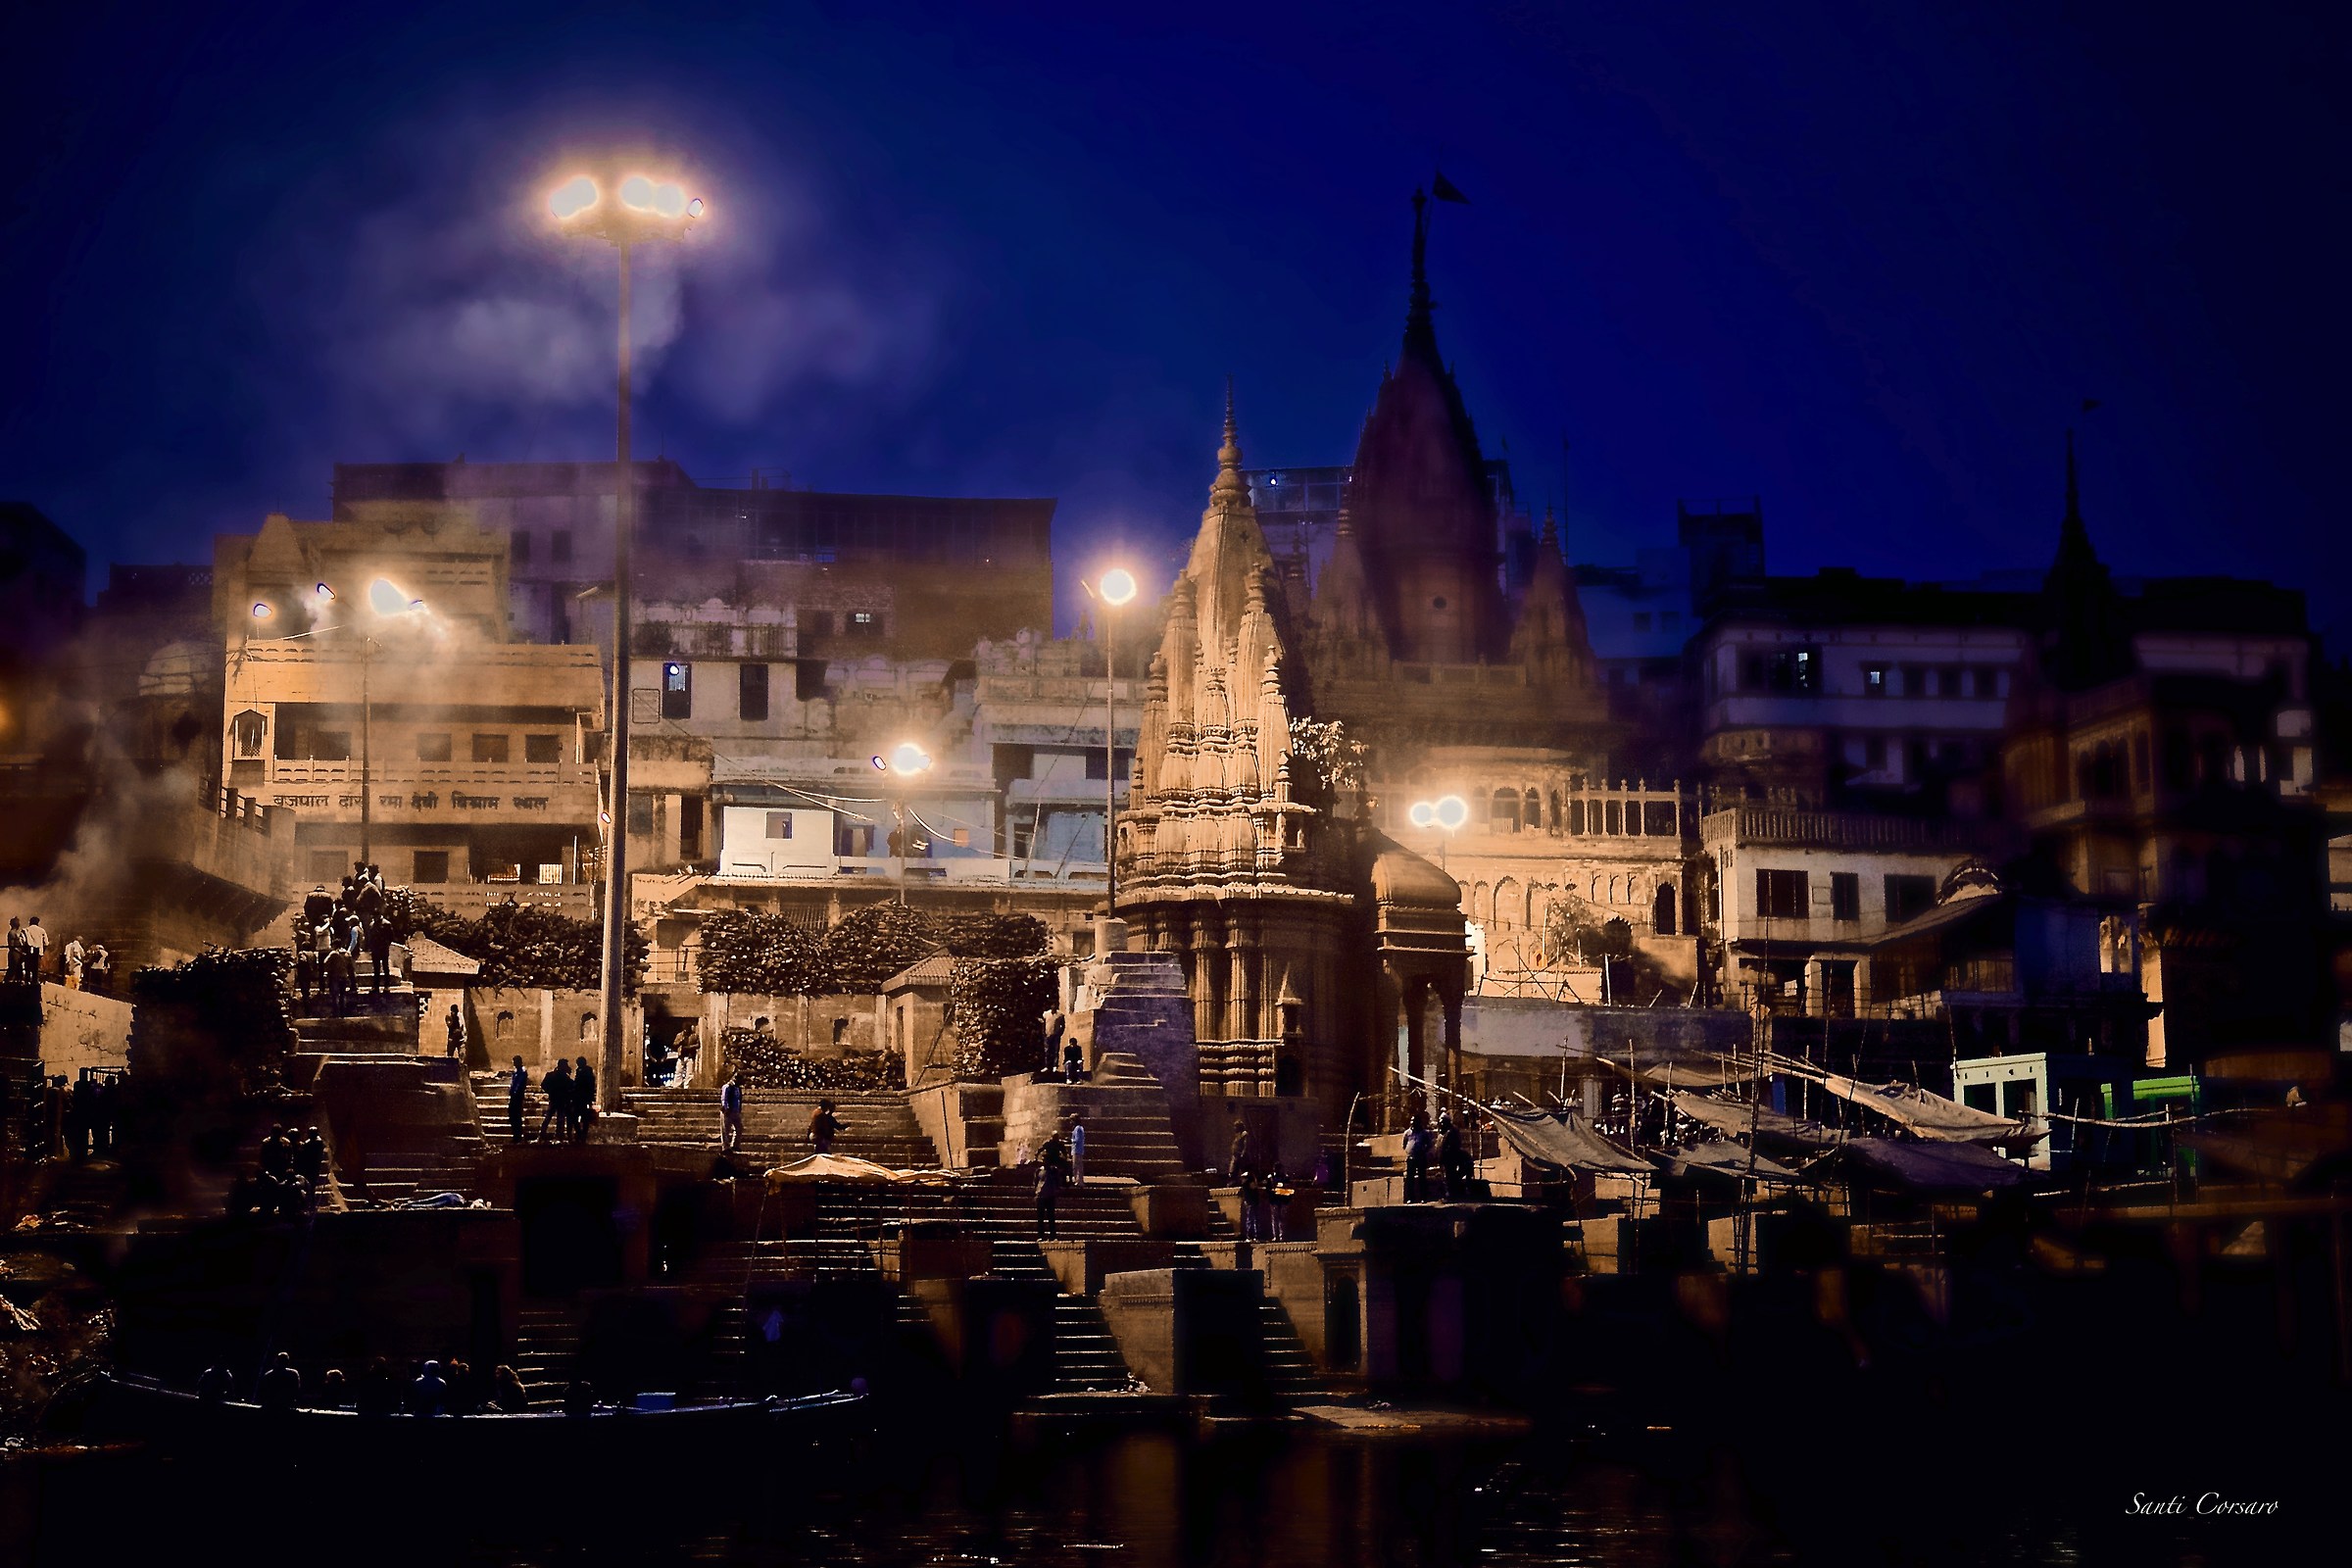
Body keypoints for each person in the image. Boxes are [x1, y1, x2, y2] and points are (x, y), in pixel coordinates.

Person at [1035, 1131, 1070, 1239]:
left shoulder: (1059, 1144)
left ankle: (1052, 1235)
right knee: (1041, 1218)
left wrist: (1066, 1157)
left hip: (1050, 1195)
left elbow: (1064, 1152)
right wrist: (1036, 1155)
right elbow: (1040, 1149)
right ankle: (1041, 1235)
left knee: (1050, 1216)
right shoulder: (1039, 1170)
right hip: (1041, 1196)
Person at [537, 1058, 573, 1143]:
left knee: (548, 1118)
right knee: (559, 1119)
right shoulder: (564, 1077)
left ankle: (542, 1135)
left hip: (554, 1099)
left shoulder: (551, 1075)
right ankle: (558, 1137)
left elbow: (543, 1085)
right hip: (561, 1100)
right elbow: (571, 1086)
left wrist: (550, 1092)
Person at [257, 1350, 302, 1414]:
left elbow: (262, 1393)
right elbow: (296, 1391)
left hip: (271, 1407)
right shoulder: (293, 1374)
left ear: (276, 1361)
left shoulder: (268, 1375)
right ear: (287, 1362)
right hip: (285, 1407)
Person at [1402, 1114, 1432, 1203]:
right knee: (1410, 1178)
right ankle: (1410, 1198)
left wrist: (1423, 1150)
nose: (1412, 1122)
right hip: (1411, 1158)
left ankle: (1423, 1197)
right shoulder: (1407, 1133)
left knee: (1422, 1178)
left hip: (1421, 1158)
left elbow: (1429, 1144)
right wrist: (1409, 1151)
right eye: (1411, 1120)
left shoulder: (1424, 1133)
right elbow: (1404, 1144)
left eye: (1414, 1121)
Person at [572, 1055, 597, 1144]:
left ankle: (580, 1134)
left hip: (580, 1098)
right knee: (584, 1118)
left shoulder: (582, 1072)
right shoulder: (588, 1072)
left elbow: (578, 1085)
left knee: (577, 1117)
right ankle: (582, 1135)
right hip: (584, 1098)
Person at [719, 1072, 744, 1153]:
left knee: (739, 1128)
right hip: (728, 1111)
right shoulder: (727, 1087)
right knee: (725, 1130)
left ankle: (735, 1145)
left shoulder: (738, 1088)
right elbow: (724, 1099)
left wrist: (739, 1109)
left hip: (735, 1111)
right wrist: (726, 1109)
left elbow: (739, 1100)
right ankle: (725, 1147)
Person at [508, 1055, 529, 1144]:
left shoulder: (522, 1072)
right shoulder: (516, 1072)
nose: (514, 1063)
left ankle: (518, 1136)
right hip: (514, 1096)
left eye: (515, 1061)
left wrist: (514, 1092)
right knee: (512, 1116)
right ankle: (515, 1135)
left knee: (516, 1116)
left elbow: (519, 1085)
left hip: (517, 1097)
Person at [21, 916, 47, 983]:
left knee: (27, 969)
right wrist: (42, 951)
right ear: (38, 923)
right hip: (38, 952)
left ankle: (27, 983)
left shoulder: (25, 930)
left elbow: (23, 942)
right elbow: (46, 943)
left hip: (28, 952)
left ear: (30, 922)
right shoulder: (42, 931)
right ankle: (35, 983)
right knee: (36, 969)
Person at [1238, 1169, 1262, 1241]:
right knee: (1252, 1220)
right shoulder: (1248, 1183)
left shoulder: (1245, 1184)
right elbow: (1254, 1187)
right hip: (1252, 1203)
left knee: (1251, 1219)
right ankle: (1252, 1236)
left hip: (1251, 1202)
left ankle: (1252, 1236)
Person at [5, 916, 24, 984]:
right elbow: (12, 946)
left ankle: (17, 982)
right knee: (13, 968)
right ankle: (6, 983)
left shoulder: (15, 933)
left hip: (17, 954)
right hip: (14, 954)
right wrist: (20, 952)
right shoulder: (12, 933)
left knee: (18, 969)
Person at [1068, 1117, 1086, 1186]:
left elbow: (1077, 1140)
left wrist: (1071, 1140)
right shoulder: (1079, 1128)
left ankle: (1079, 1181)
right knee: (1078, 1166)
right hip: (1078, 1150)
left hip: (1077, 1150)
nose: (1070, 1122)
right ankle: (1078, 1181)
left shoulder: (1078, 1129)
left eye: (1071, 1120)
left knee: (1077, 1167)